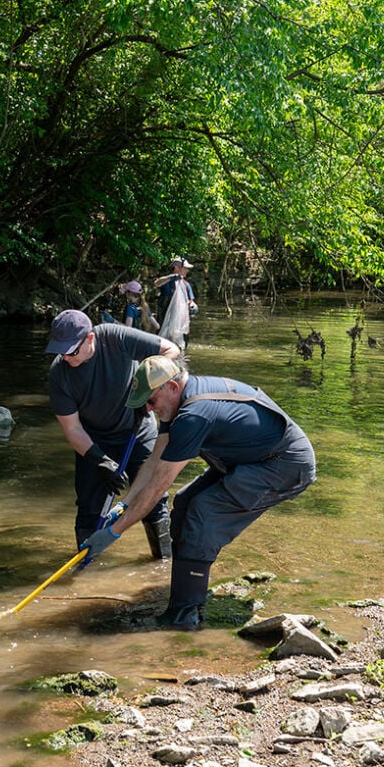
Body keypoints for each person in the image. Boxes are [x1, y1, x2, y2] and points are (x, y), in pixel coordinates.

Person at [82, 355, 316, 630]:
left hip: (284, 465)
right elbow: (154, 462)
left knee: (204, 512)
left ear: (170, 386)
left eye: (151, 400)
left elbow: (159, 487)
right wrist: (124, 504)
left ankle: (184, 616)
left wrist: (114, 533)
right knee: (185, 501)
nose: (148, 408)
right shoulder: (177, 404)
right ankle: (183, 593)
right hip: (248, 459)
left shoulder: (193, 416)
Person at [46, 309, 179, 560]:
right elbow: (72, 429)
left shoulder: (114, 337)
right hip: (92, 441)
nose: (66, 357)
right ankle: (85, 568)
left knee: (153, 498)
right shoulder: (59, 375)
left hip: (138, 428)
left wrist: (150, 390)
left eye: (71, 351)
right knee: (89, 507)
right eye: (60, 351)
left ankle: (162, 566)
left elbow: (171, 350)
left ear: (90, 339)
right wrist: (99, 459)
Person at [154, 257, 197, 350]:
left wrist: (192, 305)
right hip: (165, 316)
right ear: (177, 267)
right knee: (162, 341)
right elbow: (157, 283)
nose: (187, 270)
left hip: (180, 321)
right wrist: (171, 277)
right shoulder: (167, 281)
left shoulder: (186, 284)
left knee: (180, 343)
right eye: (185, 268)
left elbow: (190, 300)